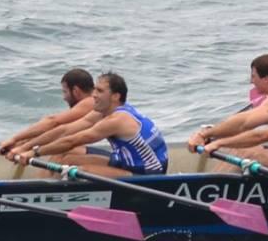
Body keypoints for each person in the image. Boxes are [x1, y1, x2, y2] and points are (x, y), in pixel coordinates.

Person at [11, 71, 168, 178]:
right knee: (66, 160)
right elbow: (65, 130)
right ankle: (41, 191)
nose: (93, 95)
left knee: (80, 171)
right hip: (124, 162)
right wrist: (25, 148)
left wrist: (35, 153)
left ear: (115, 96)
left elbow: (72, 141)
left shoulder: (117, 120)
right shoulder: (103, 112)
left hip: (148, 173)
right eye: (95, 90)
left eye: (99, 91)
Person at [185, 54, 268, 152]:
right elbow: (244, 124)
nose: (251, 81)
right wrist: (215, 132)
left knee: (245, 152)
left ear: (266, 79)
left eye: (253, 76)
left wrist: (204, 134)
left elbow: (243, 123)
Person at [0, 67, 97, 156]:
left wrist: (14, 139)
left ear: (76, 91)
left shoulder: (91, 101)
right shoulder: (91, 104)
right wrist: (21, 143)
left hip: (105, 156)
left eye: (65, 92)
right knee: (59, 148)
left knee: (64, 153)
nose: (64, 98)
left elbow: (52, 121)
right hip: (101, 152)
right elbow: (56, 131)